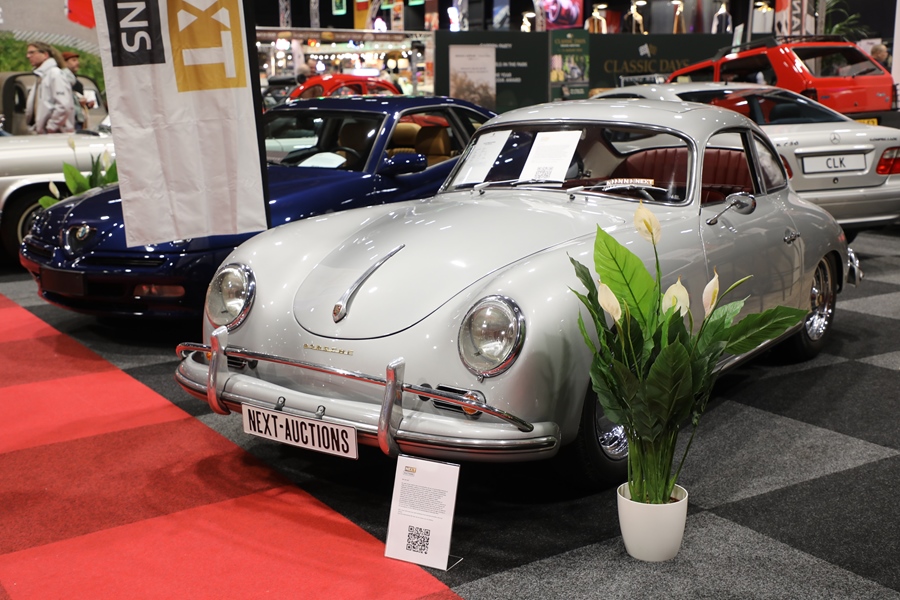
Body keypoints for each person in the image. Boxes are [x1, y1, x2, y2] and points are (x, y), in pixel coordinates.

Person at [24, 42, 75, 134]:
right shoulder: (41, 77)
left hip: (56, 135)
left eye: (32, 52)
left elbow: (64, 105)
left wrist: (51, 127)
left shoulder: (55, 74)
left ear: (45, 55)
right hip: (46, 134)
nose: (28, 56)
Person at [62, 51, 93, 131]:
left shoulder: (76, 81)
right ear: (64, 63)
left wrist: (87, 104)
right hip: (69, 120)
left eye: (77, 60)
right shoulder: (62, 79)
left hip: (77, 118)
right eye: (73, 60)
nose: (77, 63)